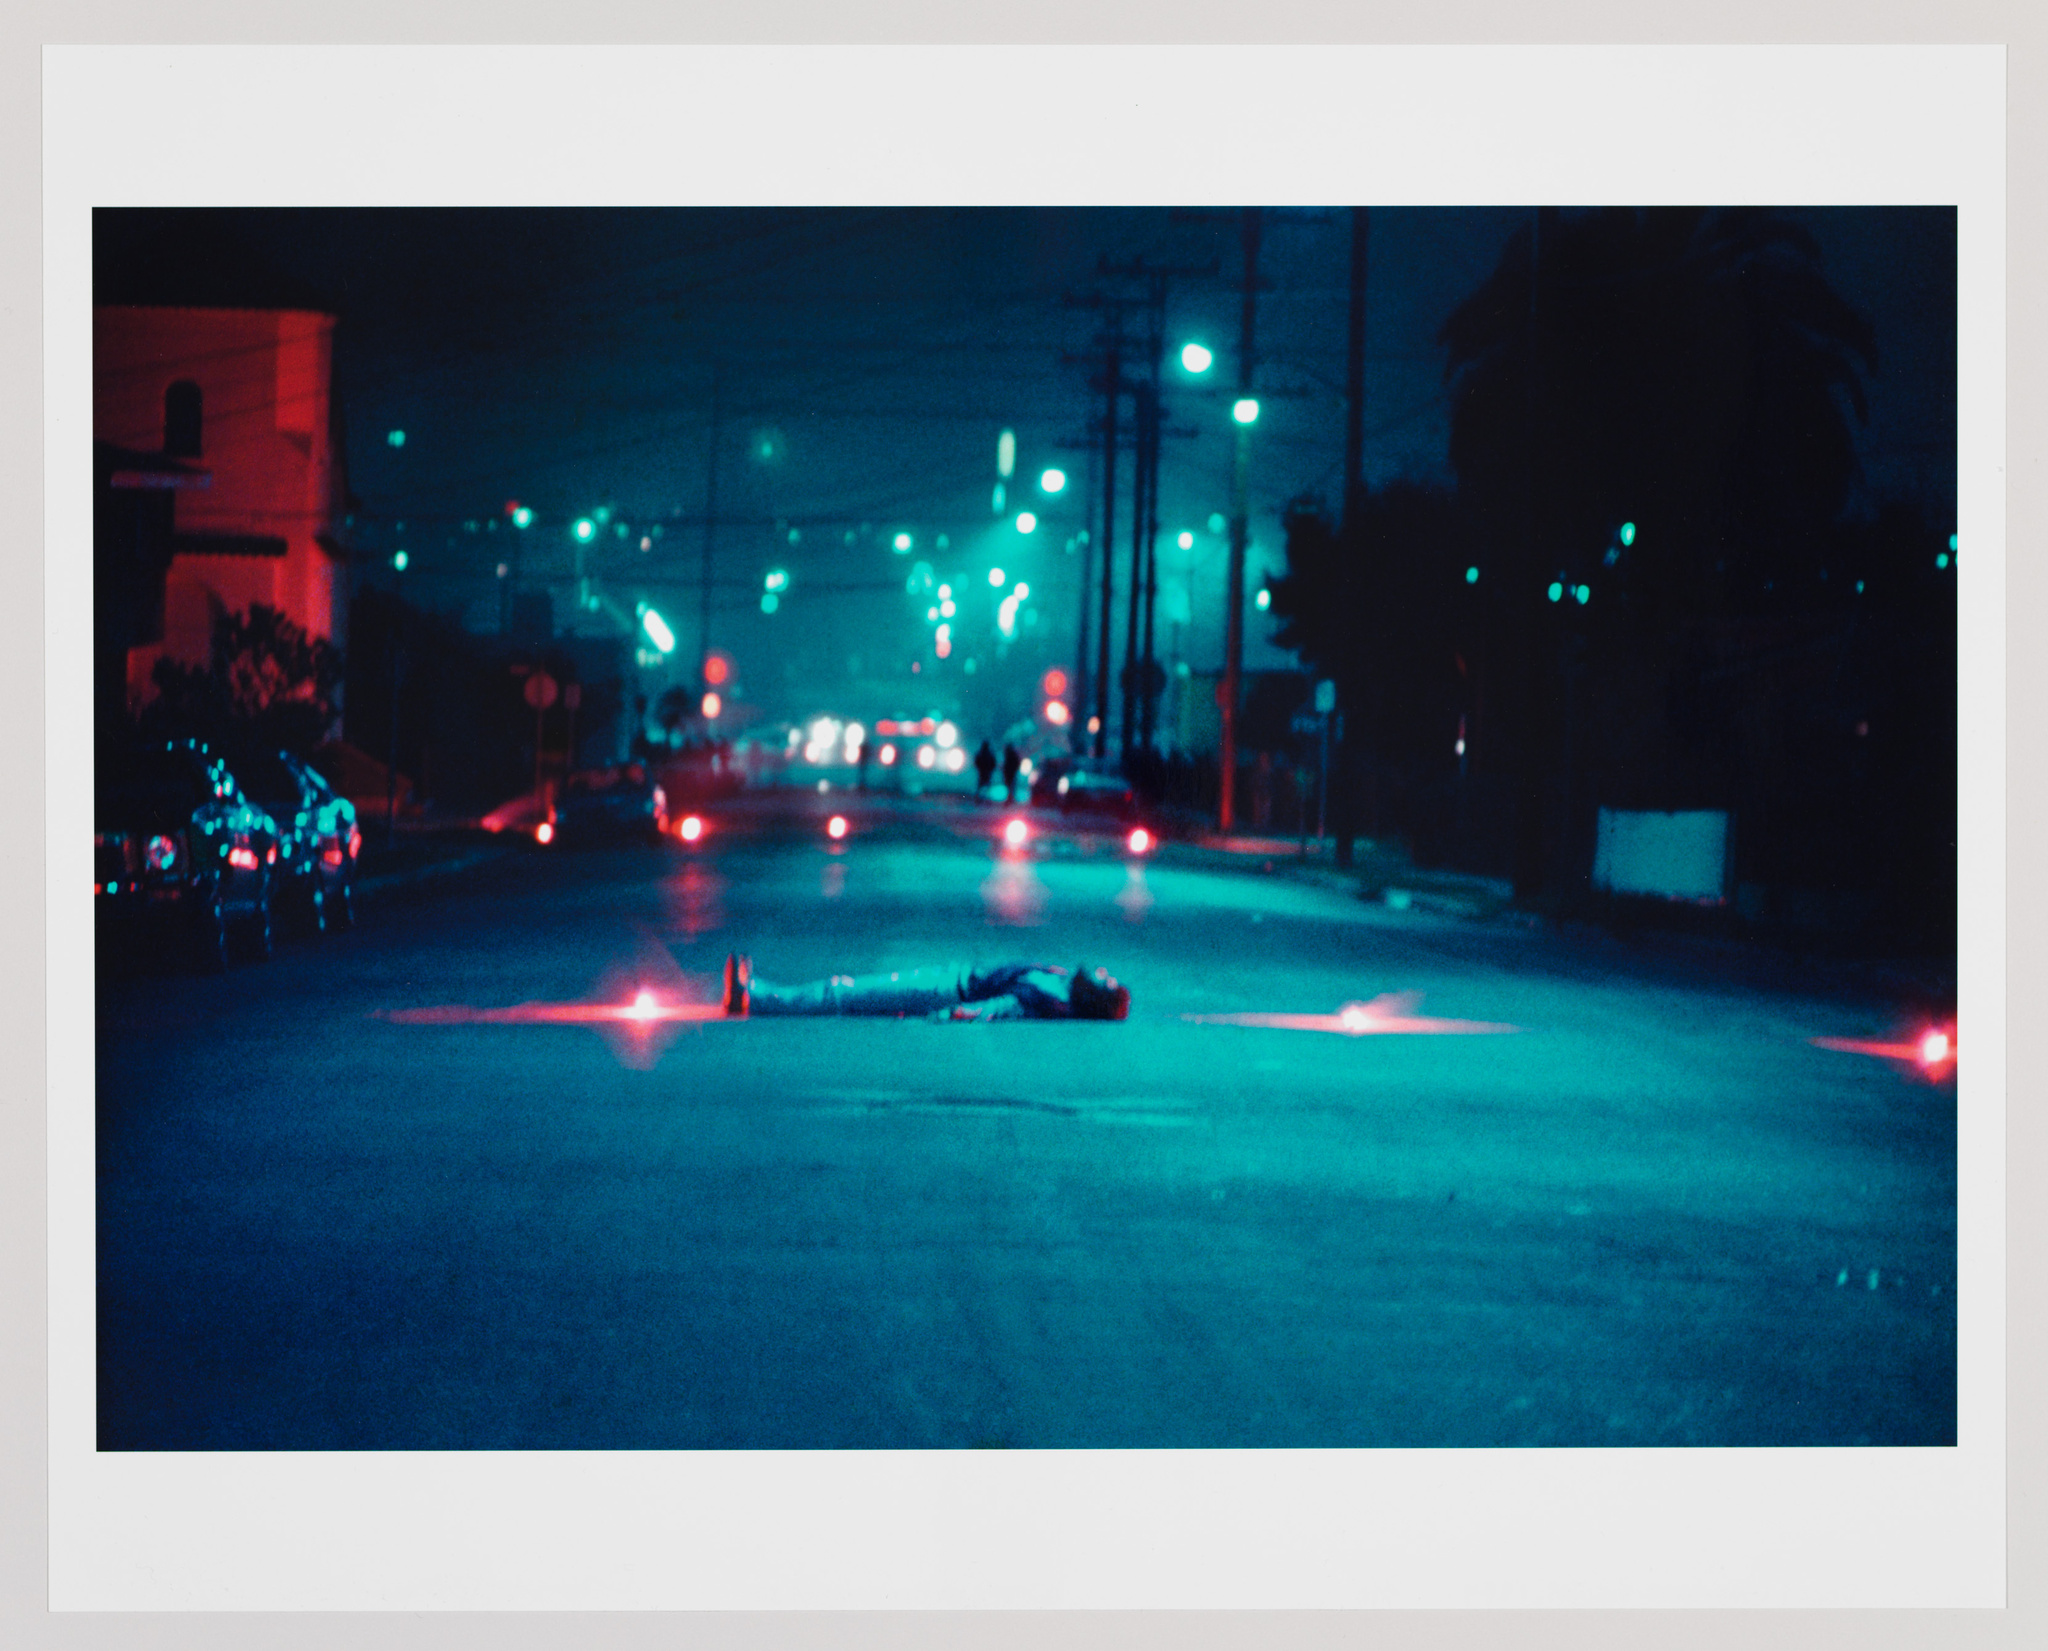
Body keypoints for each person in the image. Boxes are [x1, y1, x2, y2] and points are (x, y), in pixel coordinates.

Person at [722, 954, 1129, 1021]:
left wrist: (973, 1013)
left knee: (845, 992)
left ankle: (755, 997)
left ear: (1093, 992)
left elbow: (1010, 1006)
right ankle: (758, 992)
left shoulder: (1052, 997)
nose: (1104, 970)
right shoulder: (1058, 982)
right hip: (948, 979)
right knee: (847, 990)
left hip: (944, 991)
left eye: (1106, 980)